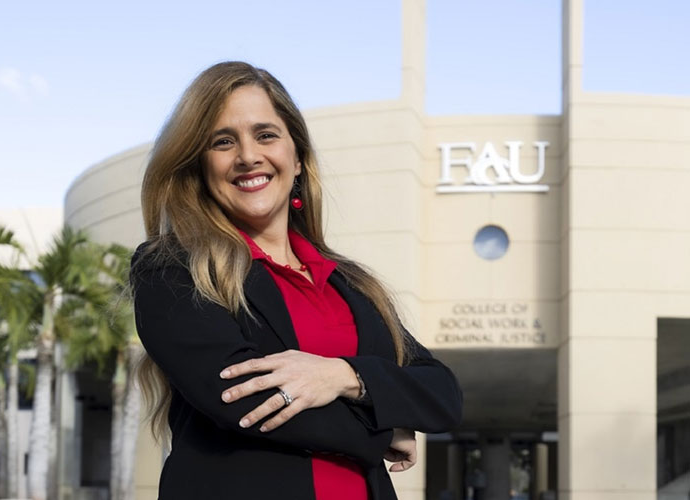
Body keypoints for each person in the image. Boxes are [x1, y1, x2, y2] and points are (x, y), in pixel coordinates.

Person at [130, 61, 462, 500]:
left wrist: (345, 375)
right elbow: (243, 399)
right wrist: (384, 428)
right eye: (223, 142)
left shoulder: (349, 284)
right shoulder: (172, 267)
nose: (248, 156)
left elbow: (441, 393)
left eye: (266, 135)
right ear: (200, 167)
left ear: (299, 158)